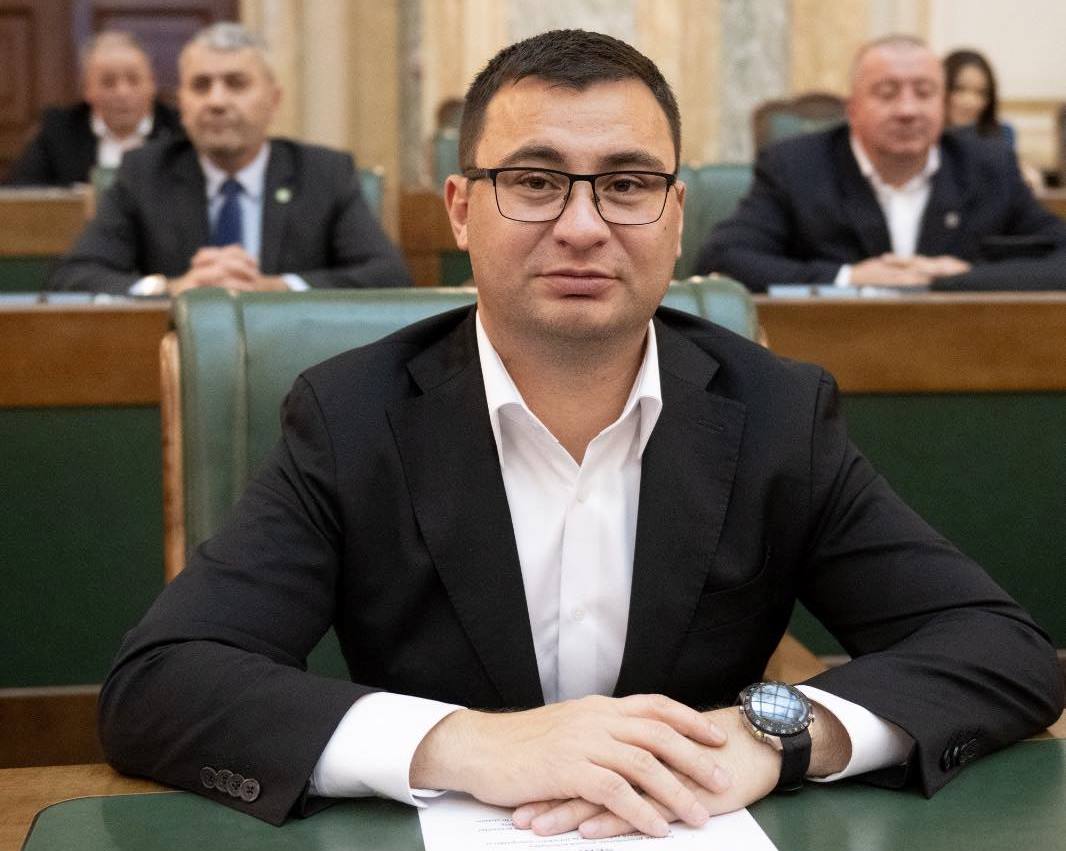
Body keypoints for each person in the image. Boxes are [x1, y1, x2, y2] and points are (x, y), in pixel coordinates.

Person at [99, 29, 1062, 840]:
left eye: (628, 184)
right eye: (535, 180)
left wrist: (776, 734)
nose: (583, 226)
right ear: (461, 210)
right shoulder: (352, 414)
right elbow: (161, 683)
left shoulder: (779, 414)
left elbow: (998, 646)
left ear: (675, 216)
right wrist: (468, 743)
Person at [51, 23, 411, 295]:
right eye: (201, 86)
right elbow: (73, 278)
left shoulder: (324, 173)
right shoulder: (143, 173)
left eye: (236, 83)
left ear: (273, 100)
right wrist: (172, 288)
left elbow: (388, 276)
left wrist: (276, 288)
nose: (217, 101)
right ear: (183, 104)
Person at [696, 34, 1066, 292]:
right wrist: (850, 278)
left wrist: (957, 277)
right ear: (852, 108)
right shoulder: (795, 166)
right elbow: (723, 259)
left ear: (942, 105)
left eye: (924, 93)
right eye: (887, 93)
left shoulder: (989, 167)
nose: (907, 110)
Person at [5, 31, 182, 187]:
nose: (122, 93)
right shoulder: (58, 131)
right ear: (87, 90)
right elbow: (20, 195)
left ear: (152, 84)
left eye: (133, 80)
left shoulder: (179, 131)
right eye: (108, 83)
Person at [943, 48, 1045, 196]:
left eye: (981, 93)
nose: (970, 101)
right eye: (959, 89)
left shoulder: (1002, 133)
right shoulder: (927, 138)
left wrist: (1026, 176)